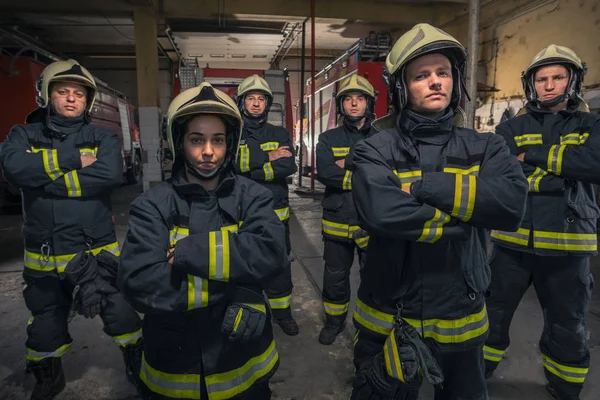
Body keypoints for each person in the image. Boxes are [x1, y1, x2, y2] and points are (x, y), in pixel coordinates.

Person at [348, 23, 528, 400]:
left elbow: (511, 205)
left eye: (443, 73)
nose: (435, 82)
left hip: (460, 313)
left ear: (455, 80)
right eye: (421, 75)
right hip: (388, 312)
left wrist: (423, 188)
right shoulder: (373, 148)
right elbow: (379, 211)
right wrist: (468, 215)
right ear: (401, 87)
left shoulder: (486, 146)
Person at [118, 82, 287, 400]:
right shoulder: (152, 204)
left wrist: (184, 254)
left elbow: (272, 254)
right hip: (174, 364)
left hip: (244, 360)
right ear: (179, 143)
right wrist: (241, 285)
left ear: (230, 144)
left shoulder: (254, 197)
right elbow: (138, 282)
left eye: (217, 140)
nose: (208, 151)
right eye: (197, 140)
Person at [0, 59, 142, 400]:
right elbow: (13, 168)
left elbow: (109, 175)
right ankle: (50, 376)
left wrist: (42, 180)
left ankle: (138, 364)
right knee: (45, 321)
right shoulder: (24, 134)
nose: (70, 98)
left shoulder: (102, 137)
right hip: (44, 255)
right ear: (47, 95)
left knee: (121, 313)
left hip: (96, 250)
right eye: (62, 91)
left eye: (78, 93)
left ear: (87, 100)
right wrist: (74, 161)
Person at [485, 45, 599, 400]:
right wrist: (563, 171)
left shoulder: (591, 123)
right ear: (531, 84)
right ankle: (476, 373)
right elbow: (503, 174)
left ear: (572, 80)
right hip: (512, 242)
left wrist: (532, 156)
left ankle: (566, 387)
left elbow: (594, 165)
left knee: (568, 323)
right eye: (542, 79)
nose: (549, 85)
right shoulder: (511, 127)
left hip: (569, 245)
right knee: (492, 313)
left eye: (558, 77)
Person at [235, 74, 299, 335]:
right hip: (242, 214)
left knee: (280, 264)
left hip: (276, 215)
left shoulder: (279, 132)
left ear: (268, 103)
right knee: (245, 264)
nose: (256, 103)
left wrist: (251, 169)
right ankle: (249, 313)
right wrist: (268, 156)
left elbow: (288, 166)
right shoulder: (232, 132)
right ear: (242, 102)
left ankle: (283, 314)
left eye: (261, 99)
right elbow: (230, 165)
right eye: (250, 98)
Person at [315, 74, 376, 345]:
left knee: (374, 278)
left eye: (360, 99)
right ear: (341, 105)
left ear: (368, 104)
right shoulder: (327, 138)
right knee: (335, 278)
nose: (354, 104)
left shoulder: (382, 137)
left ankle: (369, 328)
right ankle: (333, 323)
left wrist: (348, 161)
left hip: (371, 222)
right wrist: (364, 176)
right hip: (337, 222)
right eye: (348, 99)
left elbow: (387, 174)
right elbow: (325, 174)